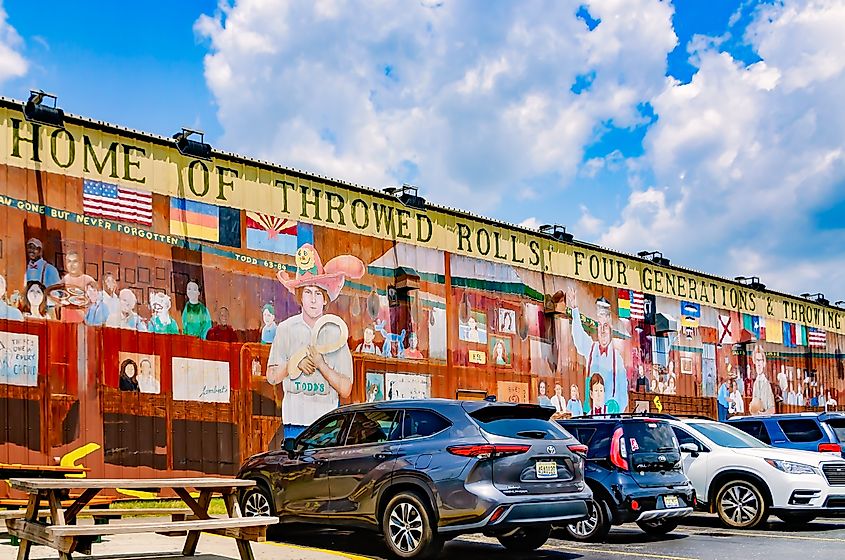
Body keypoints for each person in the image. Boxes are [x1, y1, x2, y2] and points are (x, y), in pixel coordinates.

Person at [266, 243, 364, 443]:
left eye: (318, 293)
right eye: (308, 292)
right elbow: (272, 376)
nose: (313, 299)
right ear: (300, 295)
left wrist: (321, 364)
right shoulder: (285, 329)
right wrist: (293, 363)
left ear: (325, 298)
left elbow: (346, 388)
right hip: (294, 424)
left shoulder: (335, 332)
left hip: (327, 426)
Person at [567, 287, 628, 413]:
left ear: (610, 328)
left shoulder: (617, 359)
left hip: (610, 416)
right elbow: (579, 337)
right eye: (599, 326)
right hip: (592, 413)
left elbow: (623, 392)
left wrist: (616, 411)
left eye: (605, 326)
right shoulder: (591, 349)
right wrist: (574, 309)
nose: (603, 330)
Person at [60, 250, 96, 323]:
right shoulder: (63, 280)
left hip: (83, 323)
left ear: (80, 263)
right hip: (65, 322)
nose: (71, 265)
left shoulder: (88, 280)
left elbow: (95, 304)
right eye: (69, 261)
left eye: (75, 261)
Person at [750, 345, 775, 415]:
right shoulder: (755, 384)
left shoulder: (766, 384)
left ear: (764, 363)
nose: (758, 364)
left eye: (760, 360)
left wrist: (763, 414)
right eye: (756, 361)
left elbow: (772, 409)